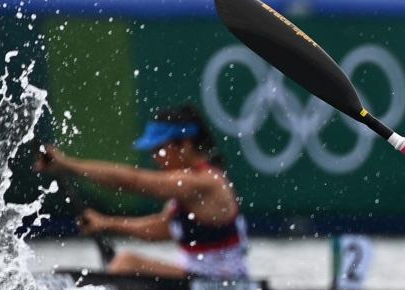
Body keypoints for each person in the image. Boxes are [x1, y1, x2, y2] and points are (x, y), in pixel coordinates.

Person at [36, 104, 249, 280]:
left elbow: (134, 181)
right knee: (124, 263)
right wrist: (106, 223)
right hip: (200, 279)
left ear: (184, 144)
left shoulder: (205, 181)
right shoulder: (188, 190)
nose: (155, 157)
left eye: (159, 148)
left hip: (223, 284)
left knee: (126, 263)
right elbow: (161, 229)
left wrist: (69, 165)